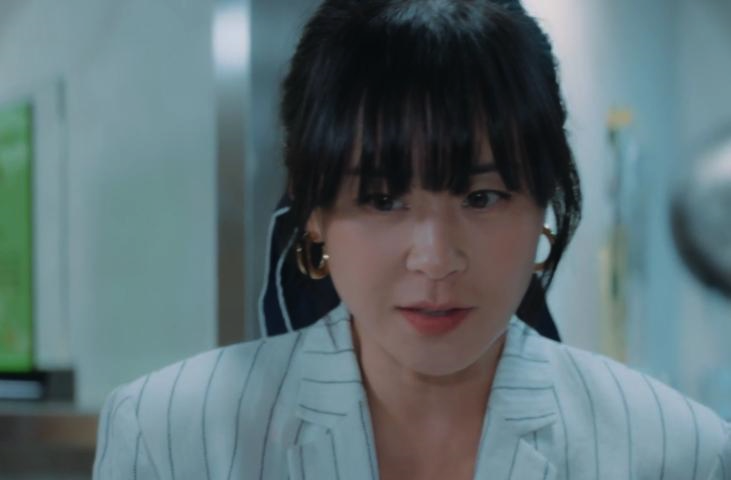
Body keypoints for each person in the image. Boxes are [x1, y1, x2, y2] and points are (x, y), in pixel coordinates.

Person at [93, 1, 731, 479]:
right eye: (382, 199)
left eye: (481, 197)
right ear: (312, 211)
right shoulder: (170, 437)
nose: (436, 259)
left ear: (542, 202)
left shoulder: (676, 452)